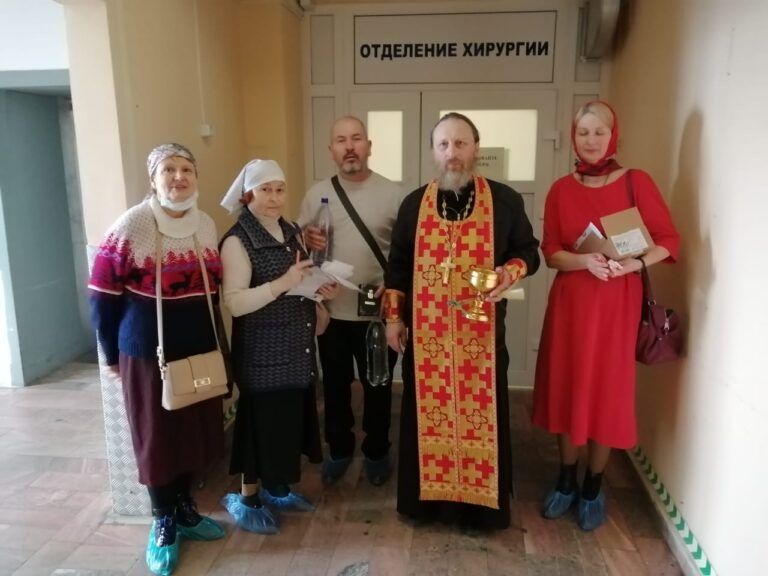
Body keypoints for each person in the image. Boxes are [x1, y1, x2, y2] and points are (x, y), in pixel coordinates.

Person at [384, 113, 540, 530]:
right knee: (425, 417)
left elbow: (529, 251)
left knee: (482, 419)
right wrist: (394, 319)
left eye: (460, 143)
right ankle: (426, 505)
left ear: (476, 148)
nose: (452, 153)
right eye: (443, 145)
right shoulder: (414, 204)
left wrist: (510, 271)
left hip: (481, 340)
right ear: (434, 151)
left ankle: (479, 510)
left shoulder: (504, 201)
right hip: (428, 339)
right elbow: (397, 266)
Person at [532, 101, 680, 531]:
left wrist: (634, 263)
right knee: (567, 384)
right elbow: (551, 251)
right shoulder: (560, 189)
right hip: (571, 303)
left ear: (614, 135)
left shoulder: (636, 181)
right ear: (573, 137)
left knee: (606, 390)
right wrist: (585, 262)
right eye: (583, 132)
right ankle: (565, 478)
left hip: (617, 302)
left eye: (600, 131)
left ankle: (593, 486)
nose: (591, 140)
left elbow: (669, 240)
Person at [89, 143, 226, 575]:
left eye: (186, 169)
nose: (178, 177)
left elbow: (214, 290)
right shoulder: (134, 223)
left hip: (198, 349)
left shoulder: (206, 223)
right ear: (153, 178)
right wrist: (110, 353)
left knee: (191, 431)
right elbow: (102, 294)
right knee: (156, 436)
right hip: (148, 353)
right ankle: (162, 519)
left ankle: (185, 509)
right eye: (168, 169)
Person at [218, 159, 339, 534]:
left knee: (286, 424)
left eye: (280, 189)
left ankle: (276, 487)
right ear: (248, 195)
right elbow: (235, 303)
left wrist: (319, 290)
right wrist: (284, 282)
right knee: (259, 426)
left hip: (296, 349)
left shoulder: (290, 230)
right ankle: (248, 498)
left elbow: (300, 278)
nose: (274, 198)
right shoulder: (237, 240)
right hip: (262, 353)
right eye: (265, 190)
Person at [299, 116, 404, 486]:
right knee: (335, 386)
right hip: (331, 313)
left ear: (369, 146)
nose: (349, 147)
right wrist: (304, 240)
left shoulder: (394, 194)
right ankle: (340, 448)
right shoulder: (316, 195)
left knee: (378, 386)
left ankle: (377, 451)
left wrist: (394, 291)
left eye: (356, 139)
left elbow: (406, 254)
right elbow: (299, 251)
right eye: (341, 140)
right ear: (331, 150)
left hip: (378, 314)